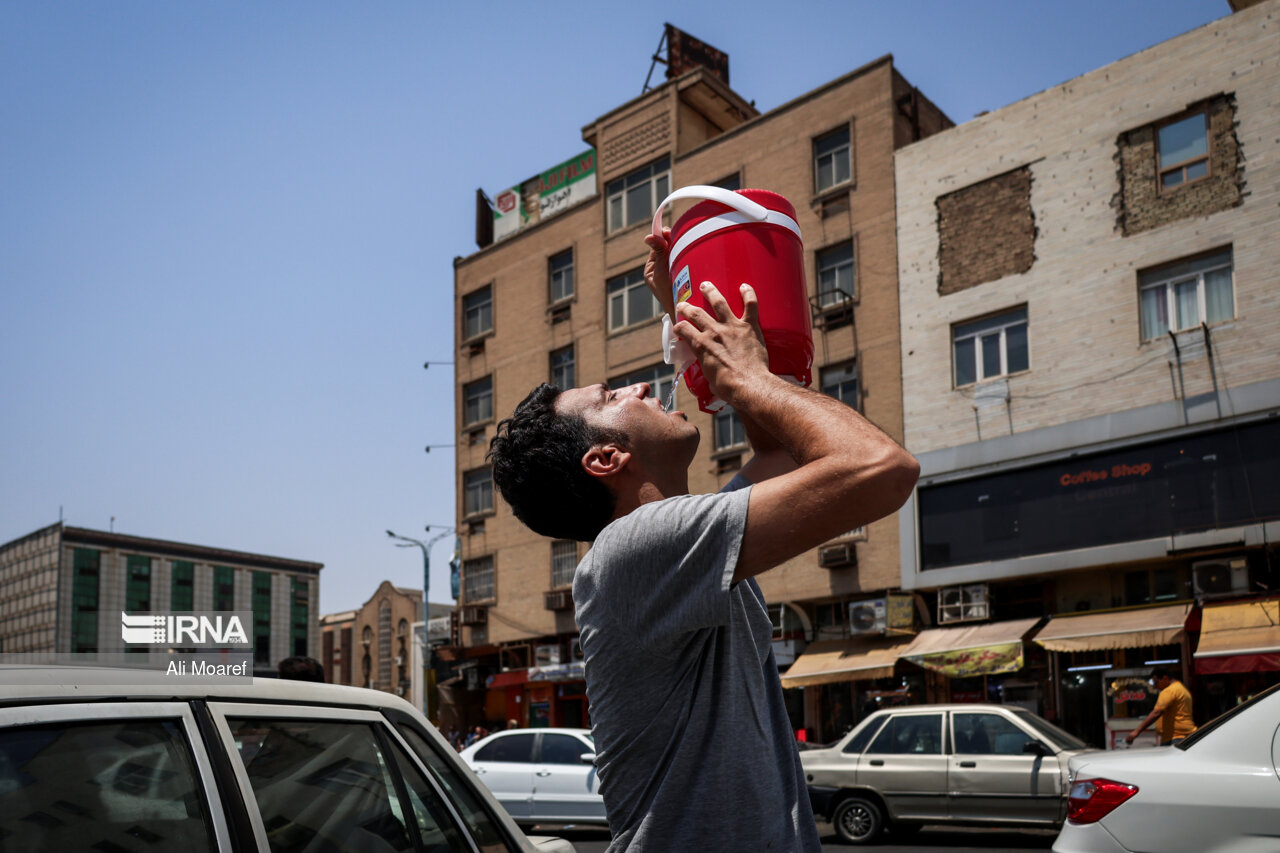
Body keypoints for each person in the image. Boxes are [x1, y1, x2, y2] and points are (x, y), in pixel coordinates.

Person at [486, 227, 919, 852]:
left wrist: (686, 314)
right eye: (612, 396)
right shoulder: (634, 549)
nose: (639, 386)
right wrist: (747, 378)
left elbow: (777, 450)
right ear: (606, 459)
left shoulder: (679, 545)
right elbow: (883, 467)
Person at [1125, 667, 1196, 746]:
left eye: (1156, 683)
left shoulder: (1169, 690)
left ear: (1165, 678)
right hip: (1179, 736)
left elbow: (1156, 712)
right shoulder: (1181, 688)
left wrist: (1137, 731)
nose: (1155, 686)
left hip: (1176, 737)